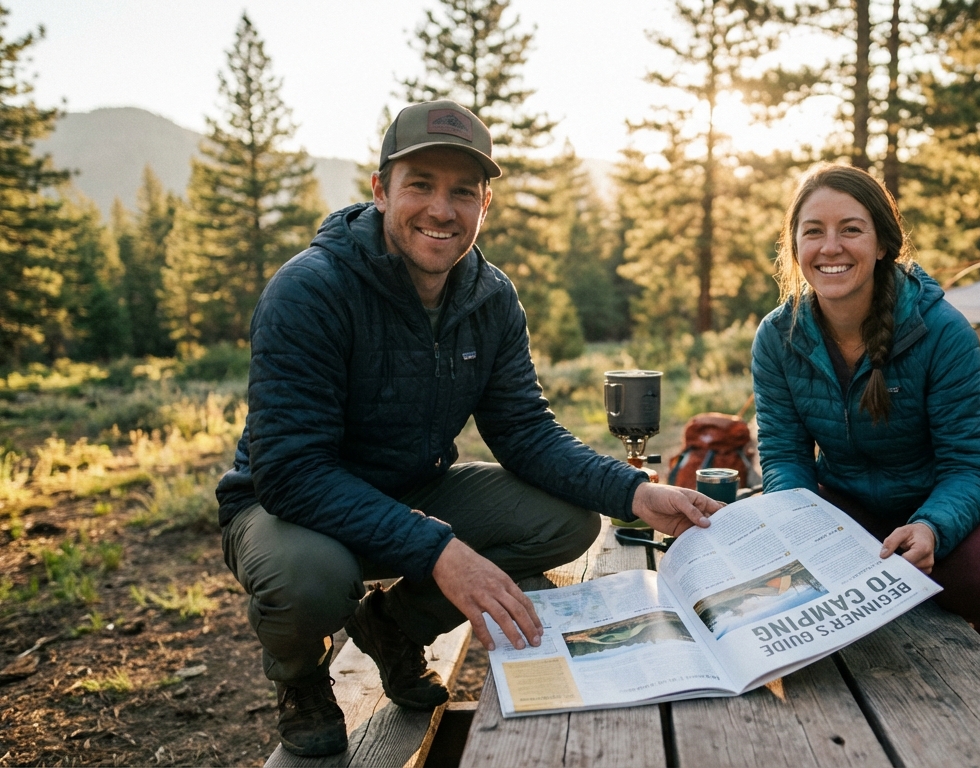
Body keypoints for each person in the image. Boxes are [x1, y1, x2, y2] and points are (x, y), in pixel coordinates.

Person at [215, 100, 720, 757]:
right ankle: (303, 681)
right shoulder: (310, 291)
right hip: (287, 511)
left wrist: (632, 492)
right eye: (419, 185)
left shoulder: (491, 298)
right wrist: (437, 550)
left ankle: (394, 627)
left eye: (462, 191)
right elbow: (291, 473)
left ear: (486, 203)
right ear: (380, 190)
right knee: (310, 580)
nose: (441, 210)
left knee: (568, 522)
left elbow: (525, 431)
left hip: (406, 492)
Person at [750, 163, 980, 672]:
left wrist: (931, 526)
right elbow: (785, 457)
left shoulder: (943, 331)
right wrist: (798, 526)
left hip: (963, 494)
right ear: (795, 247)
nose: (830, 247)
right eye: (813, 232)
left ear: (882, 244)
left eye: (850, 229)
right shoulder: (777, 337)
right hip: (852, 500)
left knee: (970, 574)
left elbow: (969, 463)